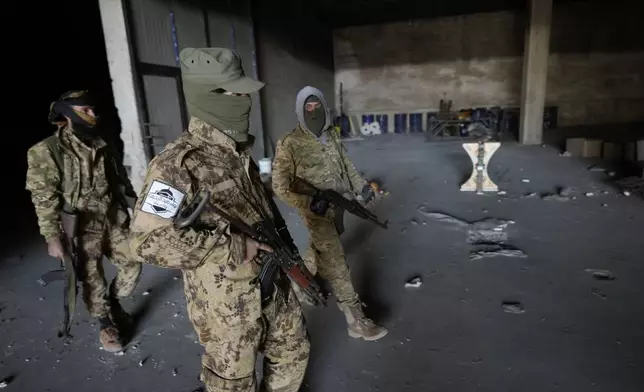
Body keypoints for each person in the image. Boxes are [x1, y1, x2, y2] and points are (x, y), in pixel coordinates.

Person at [129, 47, 309, 392]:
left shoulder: (238, 155)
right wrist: (231, 245)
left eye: (245, 93)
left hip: (274, 281)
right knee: (233, 383)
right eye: (234, 93)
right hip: (227, 303)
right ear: (205, 95)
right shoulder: (178, 164)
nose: (244, 101)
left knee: (293, 352)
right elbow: (147, 242)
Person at [25, 90, 142, 352]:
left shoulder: (103, 143)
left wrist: (138, 209)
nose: (93, 115)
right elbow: (43, 199)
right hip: (79, 227)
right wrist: (52, 237)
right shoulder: (46, 151)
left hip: (112, 218)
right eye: (85, 111)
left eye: (93, 110)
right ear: (67, 115)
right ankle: (105, 323)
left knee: (133, 262)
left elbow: (120, 180)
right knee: (92, 278)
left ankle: (113, 302)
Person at [272, 86, 388, 341]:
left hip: (338, 204)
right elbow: (279, 186)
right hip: (314, 210)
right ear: (300, 112)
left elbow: (347, 166)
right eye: (308, 108)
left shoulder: (331, 136)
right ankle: (354, 315)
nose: (313, 112)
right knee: (335, 258)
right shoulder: (290, 143)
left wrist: (361, 187)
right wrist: (309, 202)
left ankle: (297, 284)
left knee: (319, 249)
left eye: (317, 107)